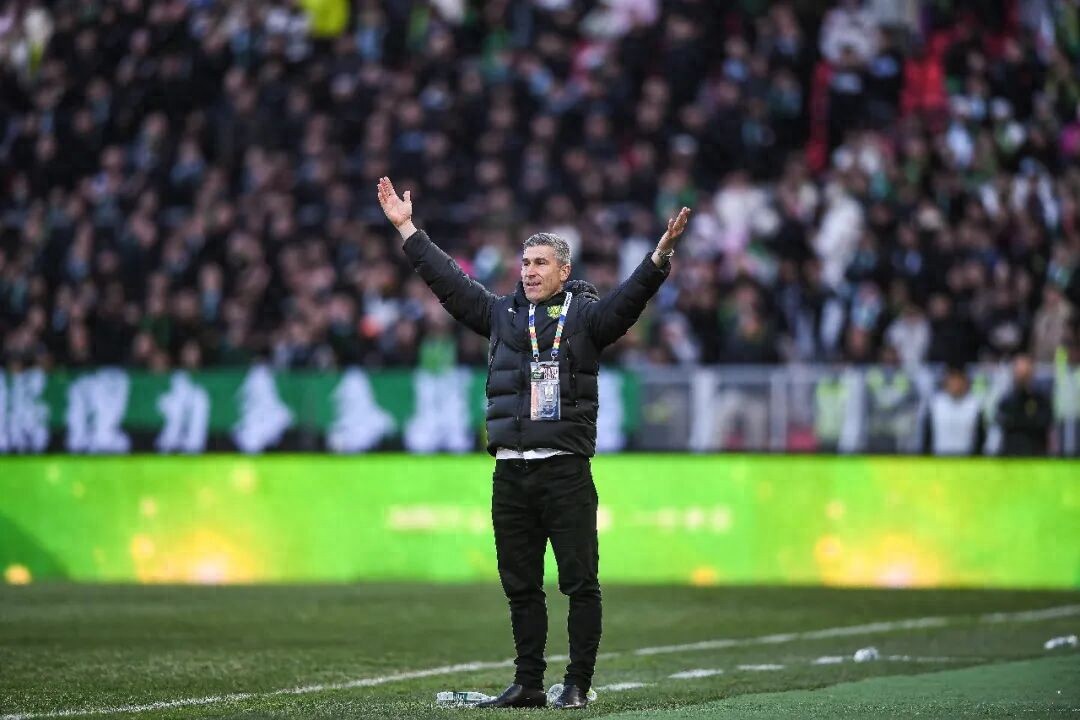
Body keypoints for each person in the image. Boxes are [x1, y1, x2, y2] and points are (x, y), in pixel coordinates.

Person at [377, 177, 690, 709]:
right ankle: (528, 683)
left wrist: (659, 255)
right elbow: (449, 283)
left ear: (564, 271)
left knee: (579, 583)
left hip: (564, 470)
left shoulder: (585, 319)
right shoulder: (501, 315)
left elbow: (628, 302)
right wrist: (408, 229)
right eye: (525, 263)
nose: (529, 271)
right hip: (510, 471)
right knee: (520, 585)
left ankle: (577, 683)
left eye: (541, 263)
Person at [997, 354, 1053, 456]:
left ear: (1032, 373)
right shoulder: (1007, 400)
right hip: (1011, 455)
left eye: (1025, 373)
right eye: (1019, 372)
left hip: (1035, 454)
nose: (1022, 377)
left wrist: (1018, 421)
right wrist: (1026, 419)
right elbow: (1002, 421)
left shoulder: (1041, 400)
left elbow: (1044, 421)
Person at [923, 365, 984, 456]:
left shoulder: (975, 405)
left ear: (966, 383)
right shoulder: (935, 404)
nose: (956, 385)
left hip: (968, 459)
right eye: (952, 380)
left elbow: (981, 437)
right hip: (938, 458)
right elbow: (927, 436)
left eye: (959, 381)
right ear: (946, 382)